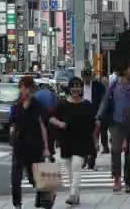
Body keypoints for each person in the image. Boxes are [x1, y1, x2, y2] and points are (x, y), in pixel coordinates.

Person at [49, 77, 97, 205]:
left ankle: (71, 194)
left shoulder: (87, 105)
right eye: (73, 86)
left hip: (83, 140)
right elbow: (51, 118)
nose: (76, 88)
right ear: (69, 88)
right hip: (67, 140)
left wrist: (95, 141)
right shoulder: (62, 103)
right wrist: (60, 124)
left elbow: (94, 124)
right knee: (70, 170)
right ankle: (76, 195)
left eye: (78, 86)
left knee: (76, 165)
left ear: (81, 88)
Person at [10, 76, 52, 209]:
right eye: (22, 87)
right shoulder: (16, 107)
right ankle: (17, 204)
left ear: (31, 89)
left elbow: (43, 127)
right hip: (19, 146)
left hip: (34, 145)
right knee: (15, 178)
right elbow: (13, 124)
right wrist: (12, 134)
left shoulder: (37, 106)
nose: (24, 90)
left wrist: (46, 147)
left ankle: (46, 196)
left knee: (34, 178)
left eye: (27, 87)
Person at [96, 60, 130, 193]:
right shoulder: (114, 84)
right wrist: (98, 117)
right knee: (115, 150)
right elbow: (105, 100)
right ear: (124, 70)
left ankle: (128, 181)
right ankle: (117, 179)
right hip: (115, 122)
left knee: (129, 153)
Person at [82, 70, 108, 163]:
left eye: (88, 77)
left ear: (91, 77)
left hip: (95, 114)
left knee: (95, 136)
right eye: (84, 77)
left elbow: (103, 99)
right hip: (83, 115)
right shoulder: (80, 86)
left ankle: (92, 158)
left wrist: (100, 113)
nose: (86, 79)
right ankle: (84, 156)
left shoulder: (98, 86)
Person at [34, 84, 58, 161]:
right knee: (50, 135)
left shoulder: (36, 93)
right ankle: (50, 152)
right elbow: (55, 105)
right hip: (50, 114)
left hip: (39, 115)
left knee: (40, 134)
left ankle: (41, 152)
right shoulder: (52, 94)